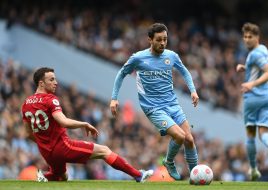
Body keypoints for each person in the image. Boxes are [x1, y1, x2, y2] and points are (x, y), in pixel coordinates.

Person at [21, 67, 153, 182]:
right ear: (41, 83)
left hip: (46, 152)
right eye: (51, 80)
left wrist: (45, 144)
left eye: (55, 79)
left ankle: (40, 177)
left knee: (62, 177)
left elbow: (28, 134)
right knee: (104, 151)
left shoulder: (26, 103)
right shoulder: (50, 99)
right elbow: (63, 121)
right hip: (62, 147)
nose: (55, 83)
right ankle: (138, 175)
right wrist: (83, 124)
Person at [110, 23, 199, 180]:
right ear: (150, 40)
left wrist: (193, 90)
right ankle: (168, 161)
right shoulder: (138, 58)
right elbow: (121, 74)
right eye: (159, 40)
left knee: (190, 139)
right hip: (153, 108)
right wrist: (114, 98)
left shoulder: (171, 56)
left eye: (165, 39)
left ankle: (195, 177)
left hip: (172, 104)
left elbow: (184, 71)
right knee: (180, 136)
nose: (163, 43)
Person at [236, 22, 268, 181]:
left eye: (250, 37)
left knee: (250, 135)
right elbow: (258, 69)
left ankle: (253, 168)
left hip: (253, 97)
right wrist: (245, 67)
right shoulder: (263, 50)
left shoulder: (254, 54)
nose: (247, 40)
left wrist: (250, 84)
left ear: (257, 37)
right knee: (264, 132)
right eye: (245, 37)